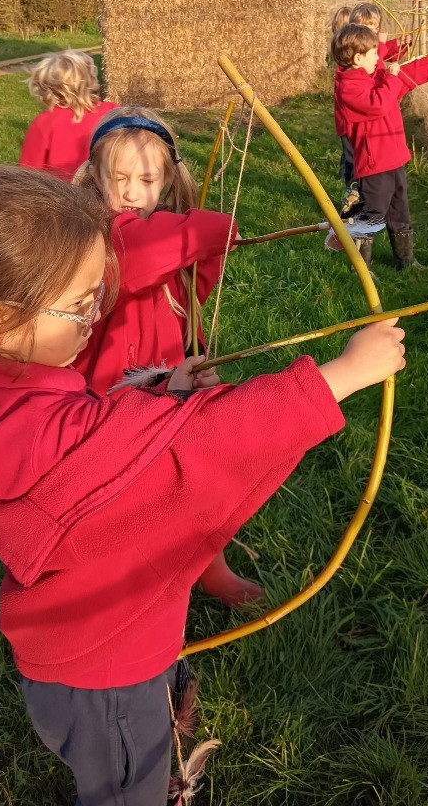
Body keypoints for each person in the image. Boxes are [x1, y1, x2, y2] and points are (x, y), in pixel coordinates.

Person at [0, 163, 406, 806]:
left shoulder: (7, 383)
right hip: (105, 680)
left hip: (91, 654)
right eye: (77, 306)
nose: (94, 316)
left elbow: (104, 431)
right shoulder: (43, 438)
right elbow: (188, 450)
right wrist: (341, 376)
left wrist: (161, 389)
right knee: (130, 791)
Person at [72, 106, 263, 607]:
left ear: (169, 181)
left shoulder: (165, 237)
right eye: (119, 178)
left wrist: (203, 247)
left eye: (147, 179)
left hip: (169, 388)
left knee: (198, 481)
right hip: (109, 402)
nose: (132, 191)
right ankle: (132, 584)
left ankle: (210, 566)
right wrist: (211, 229)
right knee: (128, 499)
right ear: (95, 179)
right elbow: (142, 257)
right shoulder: (95, 238)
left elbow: (194, 284)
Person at [332, 23, 428, 269]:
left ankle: (405, 262)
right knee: (371, 216)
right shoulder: (348, 88)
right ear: (357, 58)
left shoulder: (377, 76)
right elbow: (378, 105)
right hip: (374, 166)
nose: (380, 57)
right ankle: (360, 268)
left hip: (394, 159)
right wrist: (392, 78)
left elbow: (412, 73)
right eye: (375, 53)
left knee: (399, 212)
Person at [20, 50, 119, 181]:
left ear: (48, 90)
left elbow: (28, 174)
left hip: (61, 197)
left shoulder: (44, 123)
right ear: (90, 80)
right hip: (104, 191)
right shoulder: (113, 112)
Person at [330, 5, 359, 216]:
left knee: (349, 160)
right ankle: (350, 206)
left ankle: (352, 198)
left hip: (345, 124)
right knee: (351, 163)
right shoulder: (347, 66)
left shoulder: (343, 60)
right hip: (349, 124)